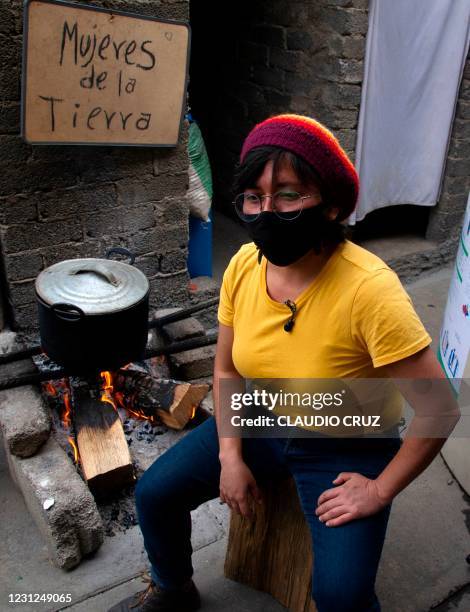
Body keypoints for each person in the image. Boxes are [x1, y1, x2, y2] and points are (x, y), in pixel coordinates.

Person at [109, 114, 458, 612]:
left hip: (346, 440)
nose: (266, 211)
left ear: (331, 206)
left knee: (341, 594)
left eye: (290, 194)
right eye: (254, 196)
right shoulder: (245, 267)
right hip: (262, 417)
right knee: (156, 495)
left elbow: (440, 409)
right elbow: (228, 371)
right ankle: (172, 588)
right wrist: (230, 457)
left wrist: (379, 491)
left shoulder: (369, 290)